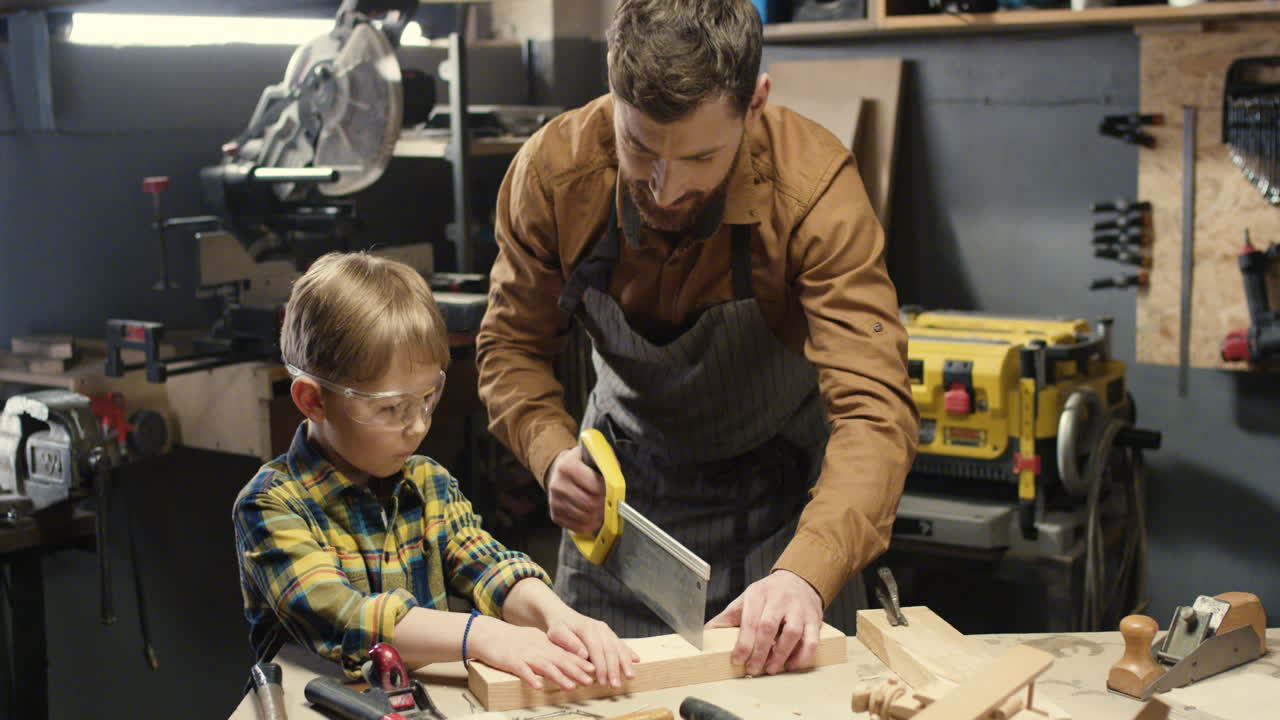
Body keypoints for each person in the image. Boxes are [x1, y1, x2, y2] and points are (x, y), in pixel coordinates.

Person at [476, 0, 920, 678]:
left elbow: (874, 412)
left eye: (701, 156)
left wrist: (806, 573)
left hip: (777, 517)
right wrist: (551, 453)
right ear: (612, 89)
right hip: (616, 518)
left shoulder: (814, 193)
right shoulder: (553, 175)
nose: (666, 186)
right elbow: (510, 348)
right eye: (639, 147)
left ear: (756, 102)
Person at [233, 252, 637, 690]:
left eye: (427, 398)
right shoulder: (270, 506)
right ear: (313, 400)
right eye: (391, 408)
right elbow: (348, 619)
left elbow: (489, 567)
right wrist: (481, 634)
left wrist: (557, 616)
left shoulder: (429, 483)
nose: (419, 425)